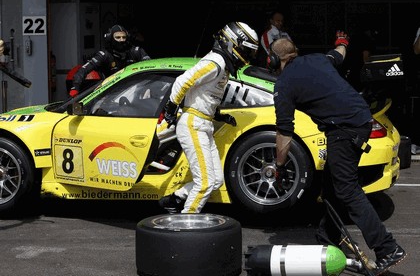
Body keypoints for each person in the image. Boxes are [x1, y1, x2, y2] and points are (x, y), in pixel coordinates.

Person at [270, 33, 407, 275]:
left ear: (273, 60)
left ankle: (388, 248)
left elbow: (284, 133)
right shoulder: (319, 59)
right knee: (331, 185)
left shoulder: (284, 84)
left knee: (347, 190)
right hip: (361, 120)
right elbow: (339, 54)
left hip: (344, 130)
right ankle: (329, 236)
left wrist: (279, 166)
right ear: (295, 52)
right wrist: (342, 42)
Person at [158, 22, 259, 214]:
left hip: (204, 123)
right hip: (193, 124)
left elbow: (203, 95)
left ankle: (174, 199)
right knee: (204, 184)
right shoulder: (216, 62)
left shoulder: (222, 65)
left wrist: (218, 114)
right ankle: (187, 225)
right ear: (233, 43)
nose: (247, 56)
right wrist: (171, 107)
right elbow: (183, 81)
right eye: (246, 50)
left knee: (215, 182)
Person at [69, 24, 151, 97]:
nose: (121, 40)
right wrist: (75, 87)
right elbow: (83, 70)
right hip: (111, 93)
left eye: (124, 37)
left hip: (134, 89)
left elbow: (150, 68)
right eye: (118, 37)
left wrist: (148, 87)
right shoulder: (104, 55)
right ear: (110, 38)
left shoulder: (136, 51)